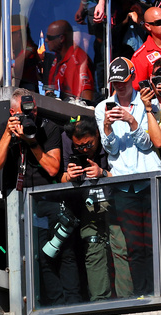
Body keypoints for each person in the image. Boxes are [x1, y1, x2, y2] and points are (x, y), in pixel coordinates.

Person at [0, 91, 73, 304]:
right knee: (23, 257)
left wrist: (32, 142)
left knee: (48, 255)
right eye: (25, 111)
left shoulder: (48, 127)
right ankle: (27, 302)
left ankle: (57, 302)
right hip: (16, 202)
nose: (31, 114)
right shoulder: (4, 129)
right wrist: (9, 134)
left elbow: (53, 169)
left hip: (43, 200)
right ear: (12, 112)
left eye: (33, 109)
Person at [98, 58, 161, 297]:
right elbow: (111, 150)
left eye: (123, 81)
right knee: (134, 246)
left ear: (132, 77)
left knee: (155, 242)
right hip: (124, 185)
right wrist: (106, 128)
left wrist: (133, 121)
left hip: (151, 180)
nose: (119, 87)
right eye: (115, 83)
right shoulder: (101, 107)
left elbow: (149, 145)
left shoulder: (147, 102)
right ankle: (144, 294)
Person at [60, 118, 128, 300]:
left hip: (116, 203)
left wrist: (103, 173)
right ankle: (100, 301)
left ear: (97, 134)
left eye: (88, 144)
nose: (84, 150)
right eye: (79, 147)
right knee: (93, 249)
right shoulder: (67, 141)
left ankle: (127, 300)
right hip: (87, 206)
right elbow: (60, 178)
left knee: (120, 248)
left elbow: (128, 172)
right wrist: (69, 176)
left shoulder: (110, 136)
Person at [43, 20, 94, 101]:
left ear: (61, 38)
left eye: (50, 38)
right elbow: (50, 87)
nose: (46, 40)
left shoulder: (77, 62)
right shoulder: (57, 57)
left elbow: (87, 100)